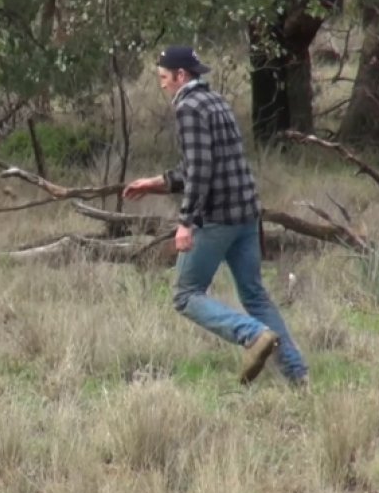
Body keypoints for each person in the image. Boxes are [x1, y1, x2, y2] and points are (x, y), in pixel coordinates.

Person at [123, 45, 308, 387]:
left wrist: (185, 222)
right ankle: (297, 375)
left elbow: (202, 170)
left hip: (217, 218)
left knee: (185, 294)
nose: (162, 85)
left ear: (181, 76)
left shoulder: (188, 108)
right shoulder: (215, 101)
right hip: (246, 215)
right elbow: (206, 164)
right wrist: (158, 182)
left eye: (164, 78)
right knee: (254, 294)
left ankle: (251, 335)